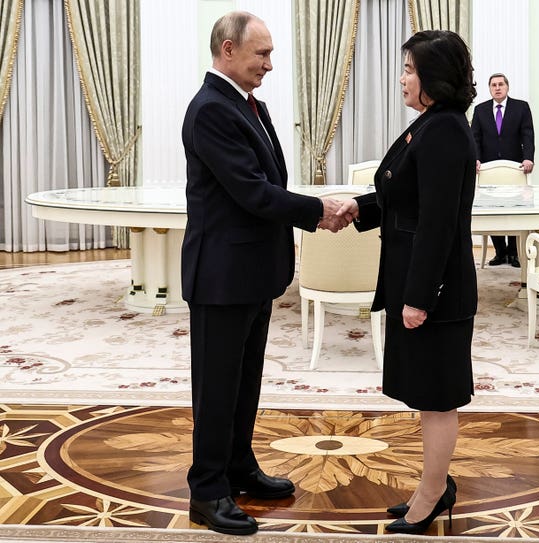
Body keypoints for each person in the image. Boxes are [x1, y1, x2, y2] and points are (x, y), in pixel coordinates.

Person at [181, 11, 348, 536]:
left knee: (244, 380)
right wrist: (317, 210)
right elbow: (252, 191)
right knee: (216, 387)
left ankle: (238, 466)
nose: (270, 65)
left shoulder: (250, 105)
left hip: (250, 272)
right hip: (221, 276)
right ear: (228, 50)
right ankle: (207, 490)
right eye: (263, 54)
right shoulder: (211, 109)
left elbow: (268, 180)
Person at [337, 30, 477, 534]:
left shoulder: (445, 131)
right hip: (416, 282)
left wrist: (419, 298)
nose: (402, 79)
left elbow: (438, 224)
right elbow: (403, 194)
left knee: (438, 398)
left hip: (435, 292)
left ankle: (434, 493)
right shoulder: (431, 124)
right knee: (425, 393)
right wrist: (360, 207)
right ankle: (434, 485)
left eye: (410, 70)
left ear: (434, 77)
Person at [471, 73, 535, 268]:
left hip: (515, 166)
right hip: (489, 167)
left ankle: (514, 253)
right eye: (493, 85)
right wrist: (476, 159)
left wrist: (528, 157)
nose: (497, 88)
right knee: (492, 207)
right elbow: (475, 137)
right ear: (489, 89)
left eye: (501, 84)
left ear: (507, 87)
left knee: (515, 207)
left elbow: (528, 134)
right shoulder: (480, 110)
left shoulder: (521, 107)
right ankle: (500, 252)